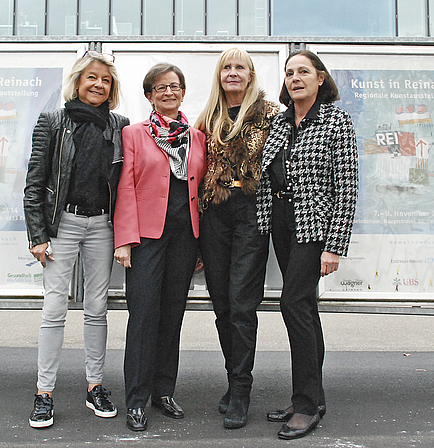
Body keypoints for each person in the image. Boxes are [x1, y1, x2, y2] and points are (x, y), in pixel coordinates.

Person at [23, 51, 129, 429]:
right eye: (92, 78)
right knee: (54, 310)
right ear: (78, 82)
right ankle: (44, 393)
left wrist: (125, 235)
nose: (99, 85)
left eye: (105, 80)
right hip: (62, 225)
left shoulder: (120, 125)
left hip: (103, 226)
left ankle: (94, 386)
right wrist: (37, 235)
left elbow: (127, 186)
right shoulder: (52, 121)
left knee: (97, 308)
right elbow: (35, 182)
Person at [257, 50, 358, 440]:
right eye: (289, 73)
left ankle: (305, 406)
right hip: (280, 222)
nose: (295, 78)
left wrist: (334, 245)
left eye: (303, 71)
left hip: (313, 226)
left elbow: (346, 187)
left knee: (293, 303)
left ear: (320, 78)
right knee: (305, 308)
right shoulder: (281, 122)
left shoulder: (336, 119)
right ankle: (312, 396)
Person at [113, 63, 207, 432]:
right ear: (149, 95)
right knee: (143, 316)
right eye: (160, 88)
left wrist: (202, 243)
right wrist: (124, 239)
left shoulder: (197, 137)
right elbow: (126, 186)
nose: (168, 92)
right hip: (147, 238)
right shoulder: (134, 134)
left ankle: (163, 391)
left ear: (183, 92)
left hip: (186, 238)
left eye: (175, 86)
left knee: (172, 314)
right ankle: (136, 399)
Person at [195, 47, 279, 429]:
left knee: (243, 305)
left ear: (250, 74)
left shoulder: (271, 115)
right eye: (226, 67)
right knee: (222, 306)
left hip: (250, 213)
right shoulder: (207, 118)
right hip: (214, 214)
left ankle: (241, 391)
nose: (232, 72)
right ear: (220, 74)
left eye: (239, 67)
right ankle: (233, 381)